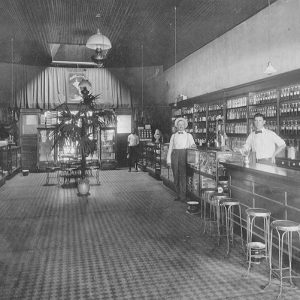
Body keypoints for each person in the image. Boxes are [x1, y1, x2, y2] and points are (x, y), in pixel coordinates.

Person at [167, 117, 196, 202]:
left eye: (182, 125)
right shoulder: (173, 136)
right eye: (179, 125)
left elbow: (193, 145)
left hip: (184, 155)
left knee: (183, 176)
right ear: (177, 126)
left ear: (185, 126)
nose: (181, 126)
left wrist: (193, 146)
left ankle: (183, 196)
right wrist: (168, 160)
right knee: (176, 175)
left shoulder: (188, 135)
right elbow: (170, 148)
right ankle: (178, 194)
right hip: (175, 155)